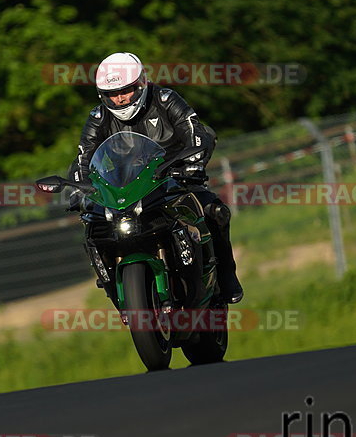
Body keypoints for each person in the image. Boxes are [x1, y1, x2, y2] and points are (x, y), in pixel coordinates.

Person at [67, 52, 243, 304]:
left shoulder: (165, 99)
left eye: (126, 90)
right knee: (92, 223)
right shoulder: (98, 118)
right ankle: (109, 280)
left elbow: (195, 131)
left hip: (172, 178)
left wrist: (193, 163)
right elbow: (84, 156)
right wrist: (79, 188)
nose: (119, 99)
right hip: (125, 187)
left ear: (141, 83)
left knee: (214, 211)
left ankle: (226, 274)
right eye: (112, 94)